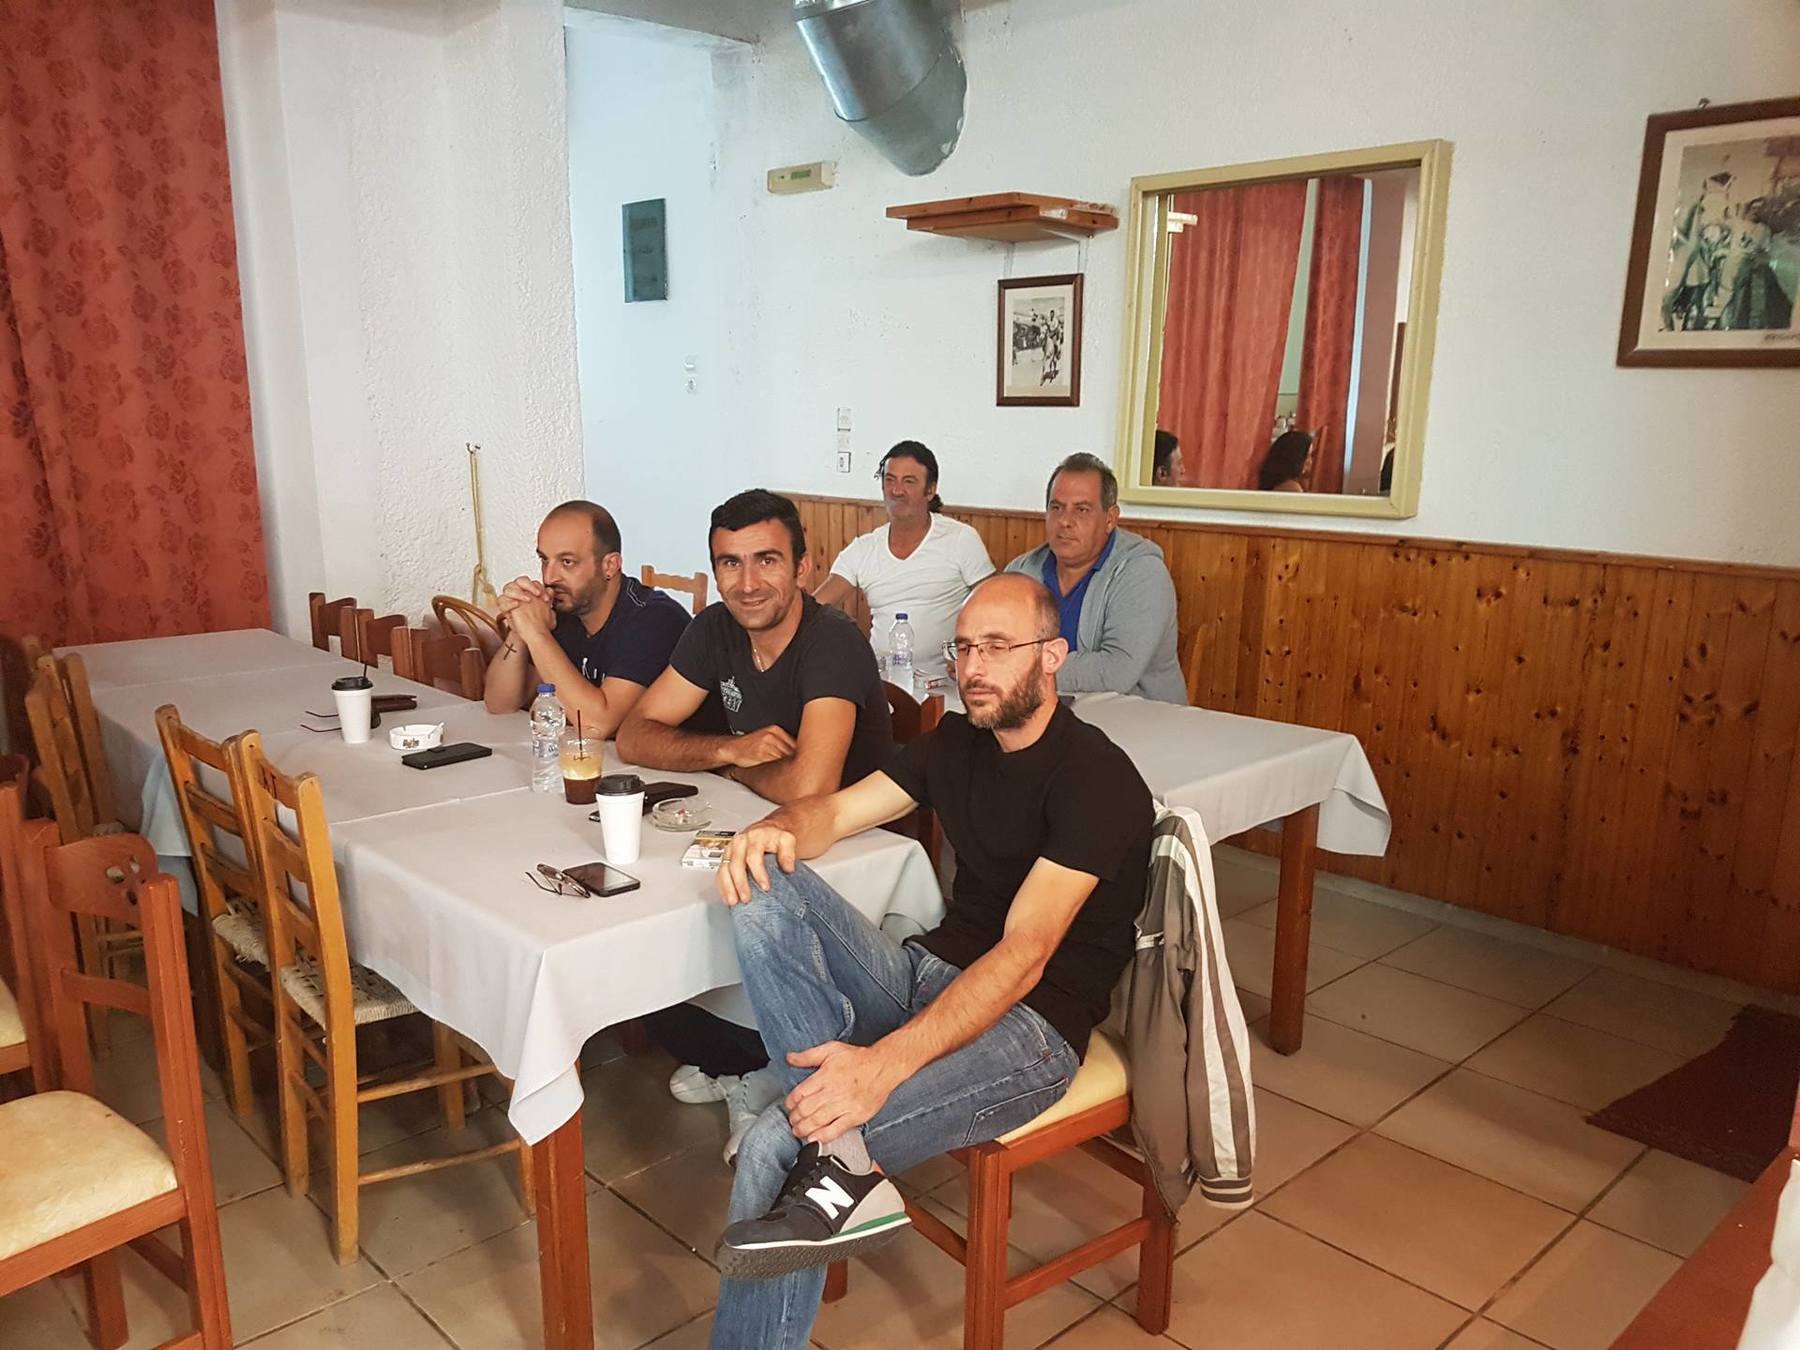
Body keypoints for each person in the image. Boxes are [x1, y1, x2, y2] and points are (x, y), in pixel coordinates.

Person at [704, 573, 1154, 1349]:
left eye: (998, 648)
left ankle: (829, 1150)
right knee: (761, 878)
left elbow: (1023, 957)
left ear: (1052, 656)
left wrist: (879, 1068)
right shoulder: (957, 742)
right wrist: (774, 829)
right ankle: (842, 1153)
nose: (973, 668)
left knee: (779, 1143)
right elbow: (836, 811)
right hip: (930, 977)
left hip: (1031, 1029)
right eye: (965, 648)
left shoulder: (1096, 779)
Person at [617, 488, 893, 805]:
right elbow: (632, 737)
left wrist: (735, 770)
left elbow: (809, 789)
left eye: (767, 561)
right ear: (716, 575)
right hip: (758, 814)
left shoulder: (834, 641)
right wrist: (728, 749)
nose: (748, 585)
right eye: (731, 563)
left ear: (801, 569)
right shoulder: (714, 626)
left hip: (852, 831)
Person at [484, 500, 690, 737]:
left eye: (567, 562)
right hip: (595, 756)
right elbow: (499, 704)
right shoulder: (565, 609)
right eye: (544, 560)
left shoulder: (654, 620)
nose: (549, 577)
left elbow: (596, 725)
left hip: (683, 758)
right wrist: (521, 628)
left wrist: (537, 633)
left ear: (610, 565)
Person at [1002, 452, 1186, 704]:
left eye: (1082, 510)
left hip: (1138, 714)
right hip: (1041, 709)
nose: (1065, 521)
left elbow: (1115, 671)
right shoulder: (1021, 571)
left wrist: (1019, 668)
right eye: (1056, 508)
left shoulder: (1143, 574)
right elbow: (993, 643)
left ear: (1110, 519)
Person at [811, 441, 994, 673]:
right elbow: (814, 608)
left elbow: (995, 605)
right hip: (879, 681)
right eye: (890, 480)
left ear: (930, 490)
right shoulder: (863, 549)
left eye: (909, 481)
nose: (896, 490)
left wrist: (971, 653)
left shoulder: (960, 539)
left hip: (945, 681)